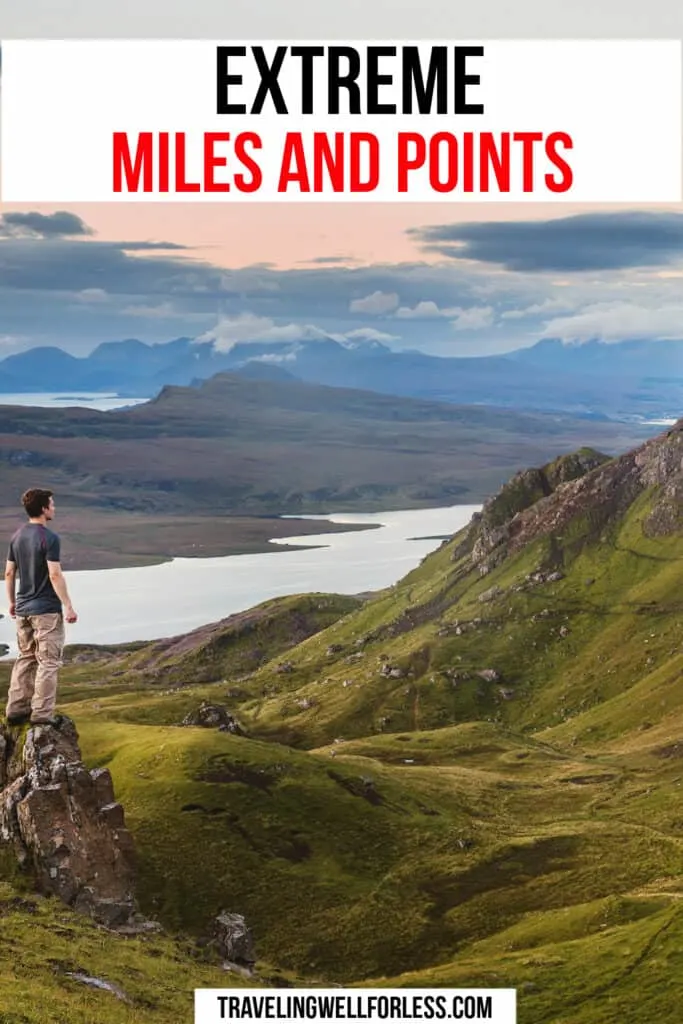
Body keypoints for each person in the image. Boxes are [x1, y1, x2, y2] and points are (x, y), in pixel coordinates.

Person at [4, 488, 78, 726]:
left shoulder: (16, 536)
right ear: (44, 509)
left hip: (23, 609)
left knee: (26, 657)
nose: (54, 508)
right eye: (52, 504)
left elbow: (9, 572)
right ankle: (42, 715)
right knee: (48, 662)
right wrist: (68, 606)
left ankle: (16, 709)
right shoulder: (49, 538)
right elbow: (55, 575)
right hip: (46, 610)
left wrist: (12, 602)